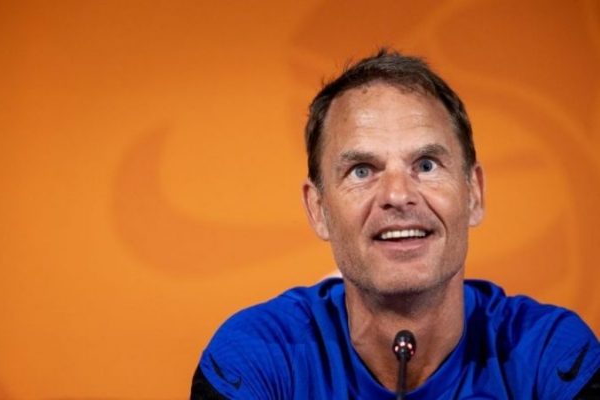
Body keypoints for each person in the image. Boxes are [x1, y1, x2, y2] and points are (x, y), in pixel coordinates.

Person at [191, 49, 600, 399]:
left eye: (426, 165)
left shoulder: (551, 354)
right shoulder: (258, 355)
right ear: (318, 209)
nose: (398, 195)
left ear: (473, 194)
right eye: (362, 170)